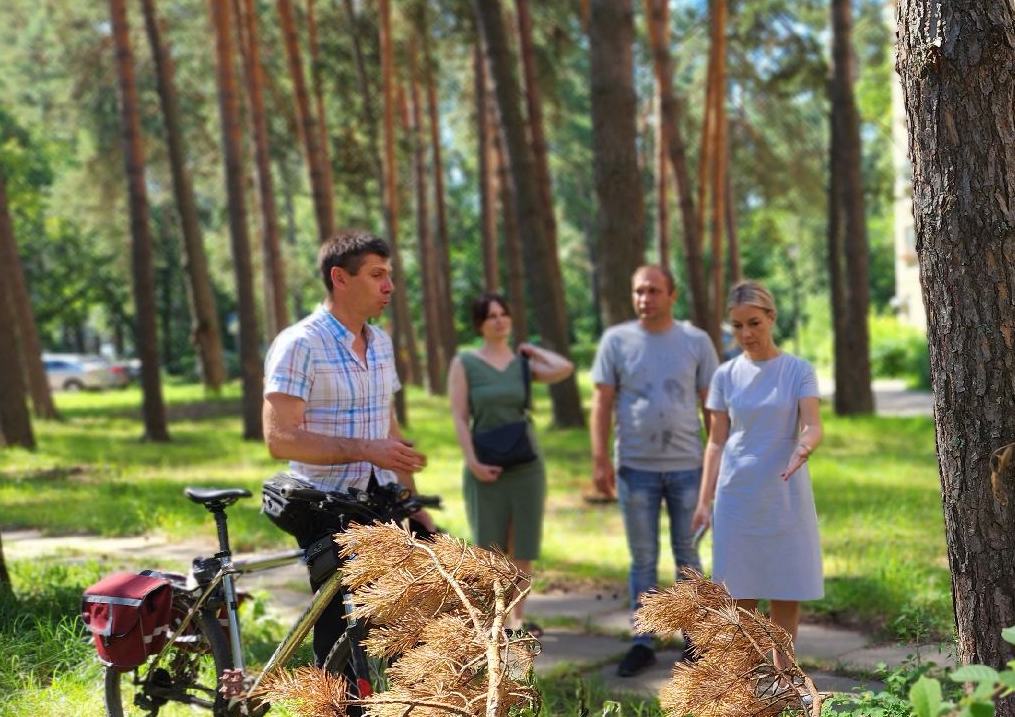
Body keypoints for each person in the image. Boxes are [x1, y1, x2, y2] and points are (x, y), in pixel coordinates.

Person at [262, 229, 434, 673]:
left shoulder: (381, 343)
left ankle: (408, 710)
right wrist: (365, 449)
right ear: (340, 278)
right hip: (320, 503)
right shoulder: (299, 344)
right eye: (377, 275)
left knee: (404, 620)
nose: (389, 286)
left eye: (389, 275)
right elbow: (279, 438)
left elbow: (387, 429)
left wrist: (412, 503)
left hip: (376, 499)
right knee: (340, 630)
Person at [592, 264, 722, 677]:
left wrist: (717, 464)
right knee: (643, 558)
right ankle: (642, 641)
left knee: (688, 555)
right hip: (635, 469)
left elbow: (712, 406)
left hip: (688, 467)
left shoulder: (695, 341)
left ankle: (696, 638)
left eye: (653, 291)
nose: (644, 298)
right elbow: (602, 401)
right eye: (638, 291)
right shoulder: (617, 341)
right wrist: (599, 458)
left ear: (672, 295)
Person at [691, 281, 825, 649]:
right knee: (739, 595)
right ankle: (745, 677)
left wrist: (803, 448)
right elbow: (715, 442)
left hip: (785, 491)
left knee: (786, 591)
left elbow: (813, 425)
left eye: (754, 323)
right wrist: (703, 502)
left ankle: (784, 675)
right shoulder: (725, 375)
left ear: (771, 318)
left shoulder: (798, 370)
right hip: (737, 495)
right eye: (737, 326)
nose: (746, 334)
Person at [447, 293, 576, 633]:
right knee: (490, 549)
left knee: (523, 547)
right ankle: (494, 623)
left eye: (504, 314)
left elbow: (564, 369)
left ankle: (516, 623)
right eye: (491, 316)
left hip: (526, 465)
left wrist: (534, 351)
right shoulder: (465, 362)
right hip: (484, 464)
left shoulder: (521, 364)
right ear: (479, 324)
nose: (500, 320)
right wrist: (472, 462)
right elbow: (459, 416)